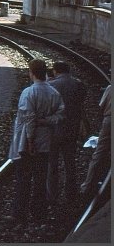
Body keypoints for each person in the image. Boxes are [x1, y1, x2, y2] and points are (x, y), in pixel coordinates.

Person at [8, 58, 65, 225]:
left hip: (27, 144)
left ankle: (20, 213)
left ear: (31, 73)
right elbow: (61, 115)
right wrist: (47, 121)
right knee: (40, 178)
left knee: (23, 179)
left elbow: (29, 118)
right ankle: (39, 213)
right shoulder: (54, 93)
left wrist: (31, 140)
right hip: (46, 141)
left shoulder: (29, 92)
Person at [46, 61, 86, 202]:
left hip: (55, 129)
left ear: (56, 71)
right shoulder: (78, 84)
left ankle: (52, 195)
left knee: (53, 164)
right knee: (70, 162)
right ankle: (70, 193)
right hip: (72, 128)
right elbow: (81, 104)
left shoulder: (51, 85)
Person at [79, 85, 111, 198]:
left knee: (99, 153)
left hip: (109, 120)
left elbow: (101, 106)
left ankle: (87, 186)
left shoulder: (110, 88)